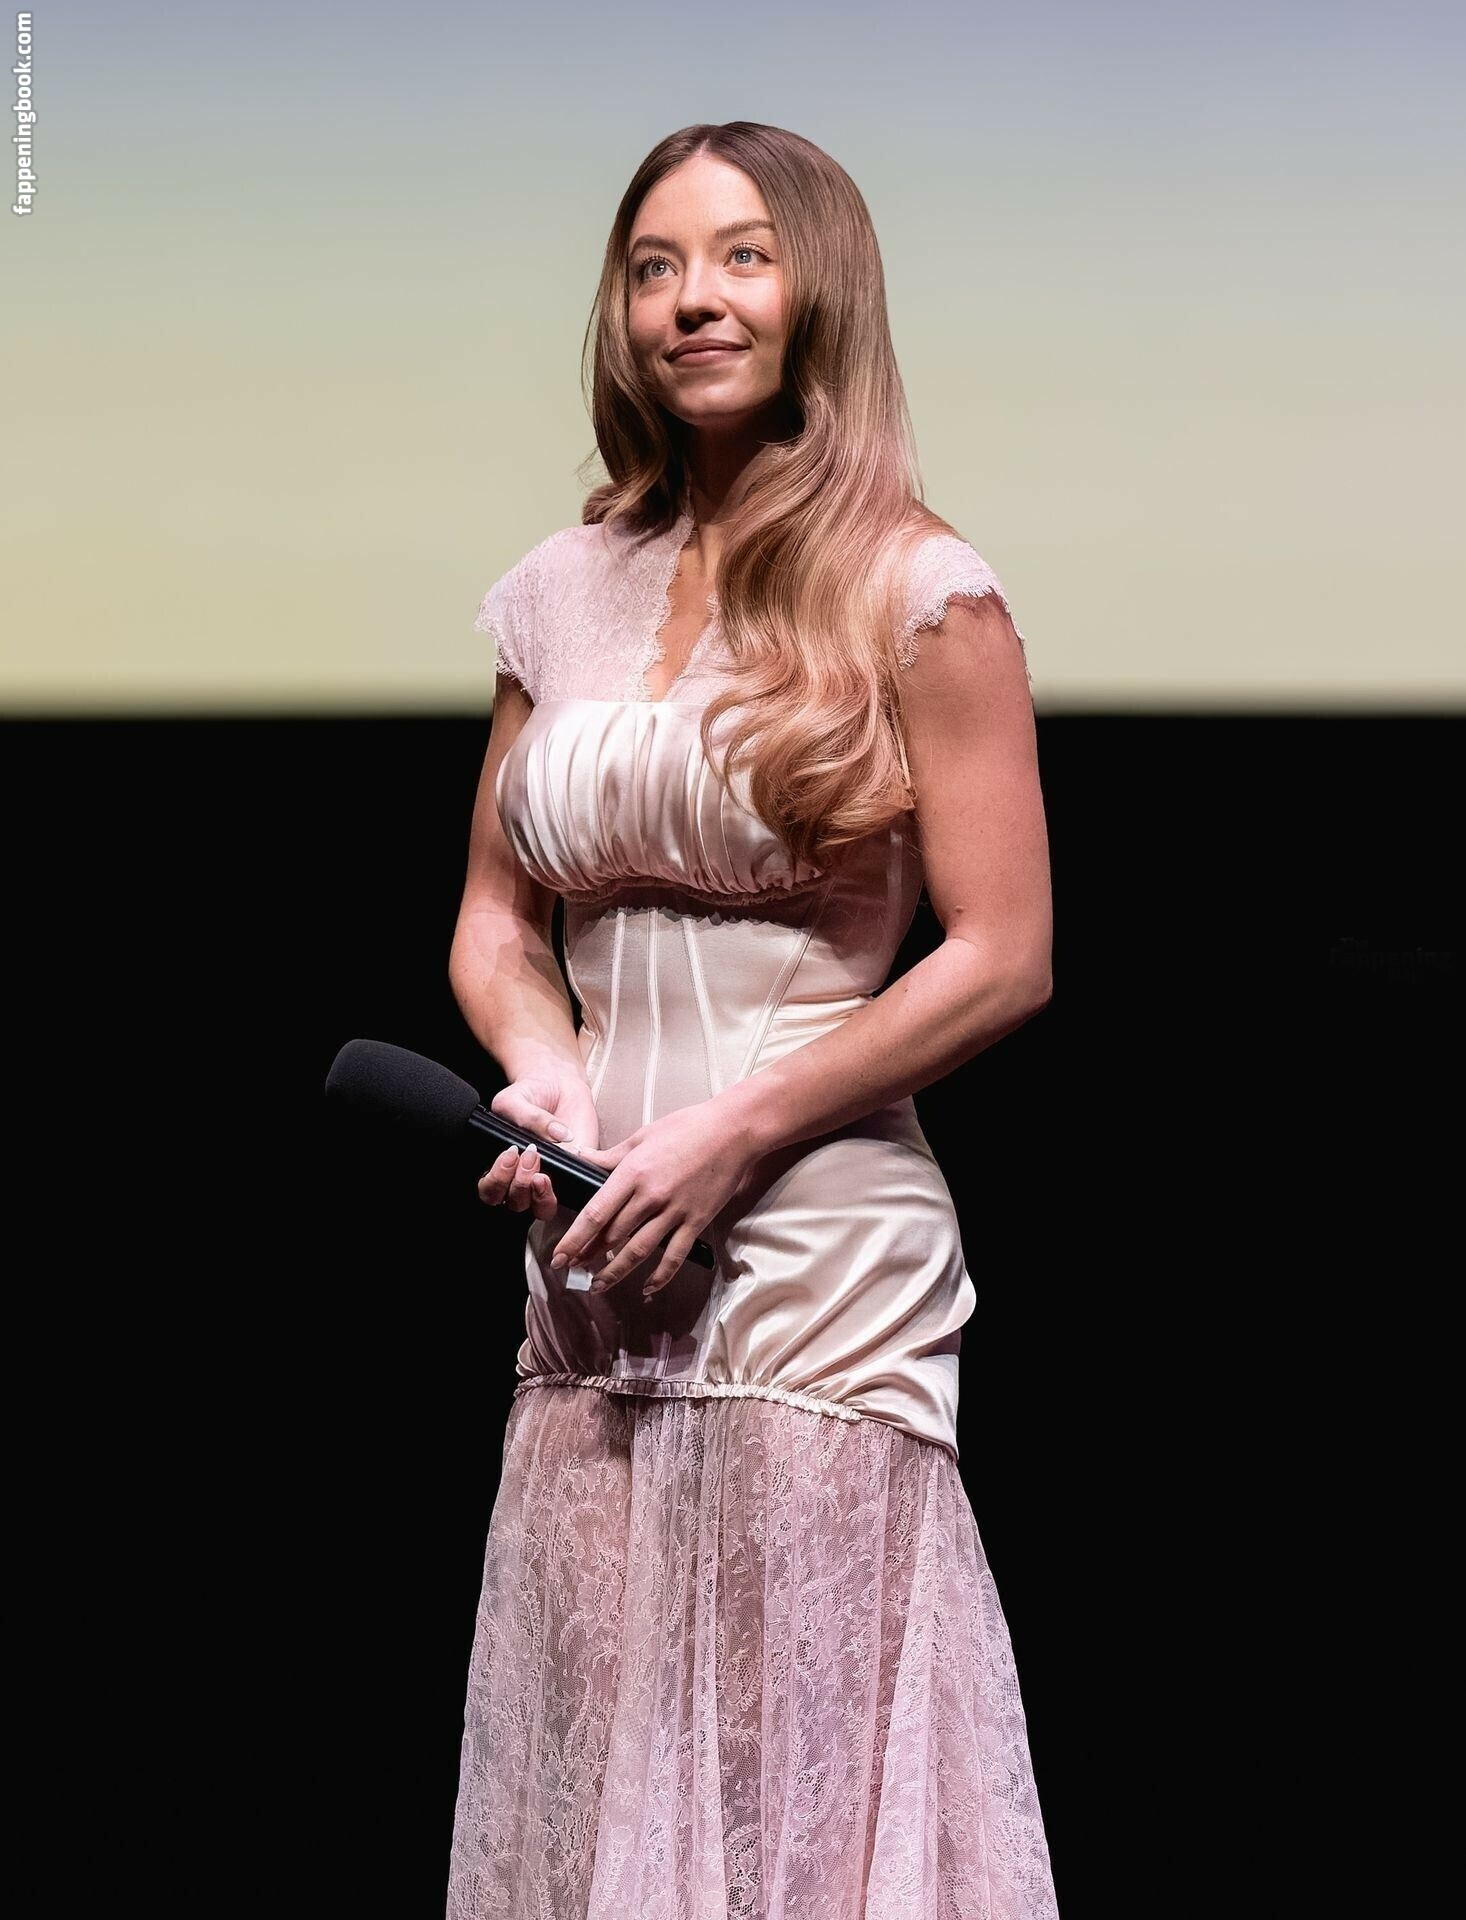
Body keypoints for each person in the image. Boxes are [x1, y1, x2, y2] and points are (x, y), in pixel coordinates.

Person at [444, 120, 1060, 1920]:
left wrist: (731, 1132)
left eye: (738, 257)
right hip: (594, 1251)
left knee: (789, 1802)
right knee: (597, 1787)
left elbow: (1003, 951)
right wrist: (547, 1078)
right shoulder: (554, 592)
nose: (689, 301)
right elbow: (495, 922)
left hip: (811, 1261)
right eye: (653, 266)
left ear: (818, 295)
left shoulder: (919, 589)